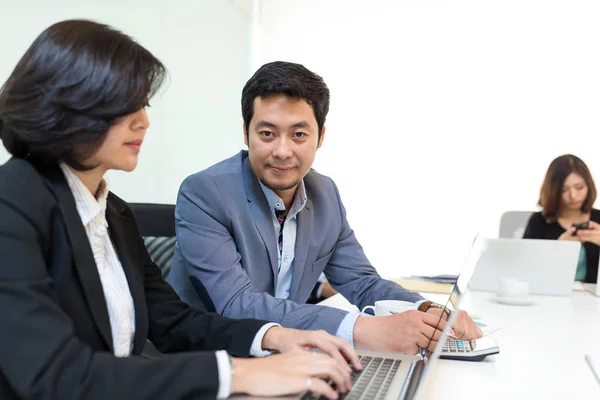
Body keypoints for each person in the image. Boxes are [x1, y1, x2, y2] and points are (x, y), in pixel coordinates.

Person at [0, 21, 361, 400]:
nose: (143, 121)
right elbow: (55, 376)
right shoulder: (12, 204)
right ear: (66, 107)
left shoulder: (112, 212)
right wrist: (238, 374)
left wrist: (275, 337)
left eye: (143, 104)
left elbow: (172, 321)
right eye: (123, 107)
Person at [168, 61, 482, 355]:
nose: (282, 150)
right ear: (245, 132)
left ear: (320, 137)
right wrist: (361, 329)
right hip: (210, 360)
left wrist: (426, 311)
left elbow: (361, 281)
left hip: (289, 357)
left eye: (299, 135)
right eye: (267, 133)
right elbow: (237, 304)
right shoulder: (206, 192)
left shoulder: (325, 193)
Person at [523, 154, 600, 283]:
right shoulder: (539, 222)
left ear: (589, 185)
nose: (573, 196)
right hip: (551, 296)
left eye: (579, 187)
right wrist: (557, 249)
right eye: (564, 190)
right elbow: (524, 270)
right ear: (553, 190)